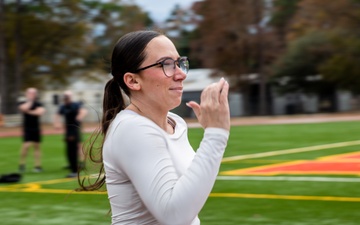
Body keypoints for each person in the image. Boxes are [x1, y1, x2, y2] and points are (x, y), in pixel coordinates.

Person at [77, 30, 230, 225]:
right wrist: (216, 135)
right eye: (166, 64)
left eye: (179, 63)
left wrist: (213, 131)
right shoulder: (132, 129)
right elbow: (174, 215)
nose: (181, 74)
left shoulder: (176, 123)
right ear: (133, 81)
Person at [54, 90, 87, 178]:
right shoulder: (63, 106)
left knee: (74, 149)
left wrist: (79, 117)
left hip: (75, 129)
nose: (66, 99)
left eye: (67, 97)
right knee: (70, 150)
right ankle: (74, 167)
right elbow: (57, 114)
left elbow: (83, 111)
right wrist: (57, 123)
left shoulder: (75, 105)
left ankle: (76, 169)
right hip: (68, 130)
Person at [18, 87, 46, 173]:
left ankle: (37, 166)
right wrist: (30, 102)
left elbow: (40, 112)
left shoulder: (39, 103)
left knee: (37, 147)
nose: (32, 95)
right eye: (30, 93)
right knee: (26, 146)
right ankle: (22, 164)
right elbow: (23, 108)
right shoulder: (22, 102)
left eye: (34, 93)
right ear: (27, 94)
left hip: (36, 128)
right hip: (27, 128)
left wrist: (29, 112)